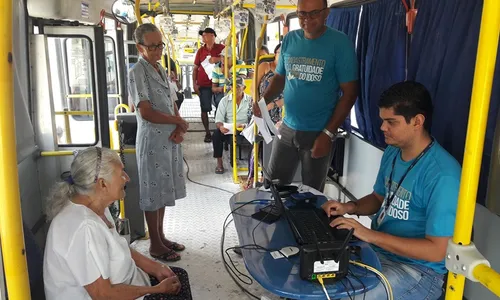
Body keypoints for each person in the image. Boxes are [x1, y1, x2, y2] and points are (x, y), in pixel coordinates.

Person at [322, 81, 461, 300]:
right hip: (378, 253)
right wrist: (349, 207)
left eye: (391, 122)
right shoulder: (393, 152)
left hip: (420, 272)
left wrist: (369, 235)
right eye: (382, 121)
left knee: (346, 295)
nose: (382, 128)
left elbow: (437, 251)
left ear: (417, 121)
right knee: (320, 278)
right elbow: (379, 197)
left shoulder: (443, 175)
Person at [43, 147, 193, 300]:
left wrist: (154, 267)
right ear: (102, 184)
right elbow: (103, 295)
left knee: (179, 277)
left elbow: (118, 247)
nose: (127, 178)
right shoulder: (84, 228)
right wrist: (154, 290)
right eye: (121, 173)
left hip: (130, 281)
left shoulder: (98, 206)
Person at [253, 0, 359, 192]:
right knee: (274, 185)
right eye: (302, 14)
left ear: (326, 13)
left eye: (314, 13)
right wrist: (263, 101)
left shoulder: (340, 43)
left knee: (311, 193)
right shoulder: (290, 40)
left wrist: (328, 134)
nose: (307, 20)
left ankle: (307, 223)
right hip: (287, 127)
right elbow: (279, 78)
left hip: (319, 130)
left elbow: (350, 93)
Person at [129, 23, 188, 262]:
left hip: (167, 138)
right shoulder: (137, 72)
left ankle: (161, 236)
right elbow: (145, 111)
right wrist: (177, 120)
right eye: (152, 47)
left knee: (163, 191)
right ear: (140, 47)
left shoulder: (160, 69)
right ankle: (154, 243)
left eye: (160, 45)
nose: (157, 50)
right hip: (152, 142)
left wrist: (177, 125)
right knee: (151, 192)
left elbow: (171, 99)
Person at [245, 44, 284, 189]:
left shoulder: (287, 73)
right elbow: (253, 88)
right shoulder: (265, 66)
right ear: (275, 54)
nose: (283, 56)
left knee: (272, 146)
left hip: (275, 114)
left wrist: (273, 105)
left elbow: (287, 97)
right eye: (281, 52)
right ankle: (253, 178)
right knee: (258, 144)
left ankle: (266, 178)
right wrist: (258, 106)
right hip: (258, 110)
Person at [212, 77, 252, 174]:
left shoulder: (250, 100)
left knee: (258, 133)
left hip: (245, 129)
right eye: (232, 86)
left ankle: (253, 164)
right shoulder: (224, 101)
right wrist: (221, 127)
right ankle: (219, 163)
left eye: (238, 86)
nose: (234, 89)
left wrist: (246, 125)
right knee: (216, 134)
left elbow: (254, 118)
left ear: (244, 87)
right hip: (229, 130)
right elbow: (218, 120)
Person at [193, 27, 225, 143]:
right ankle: (207, 132)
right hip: (204, 83)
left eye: (205, 35)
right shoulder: (201, 51)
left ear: (212, 35)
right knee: (204, 108)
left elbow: (230, 60)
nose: (203, 37)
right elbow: (195, 68)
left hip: (219, 83)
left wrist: (216, 59)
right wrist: (194, 84)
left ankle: (219, 131)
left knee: (221, 106)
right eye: (202, 36)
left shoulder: (221, 48)